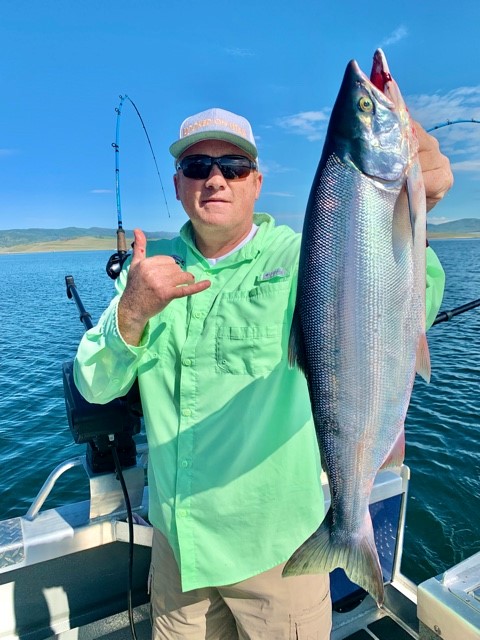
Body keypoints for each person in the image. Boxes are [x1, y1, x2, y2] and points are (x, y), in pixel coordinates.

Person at [74, 107, 453, 639]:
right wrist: (131, 311)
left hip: (279, 552)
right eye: (198, 165)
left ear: (256, 182)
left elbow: (407, 310)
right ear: (179, 185)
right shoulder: (147, 271)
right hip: (178, 552)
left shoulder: (310, 254)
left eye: (232, 166)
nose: (214, 178)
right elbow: (94, 383)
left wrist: (413, 219)